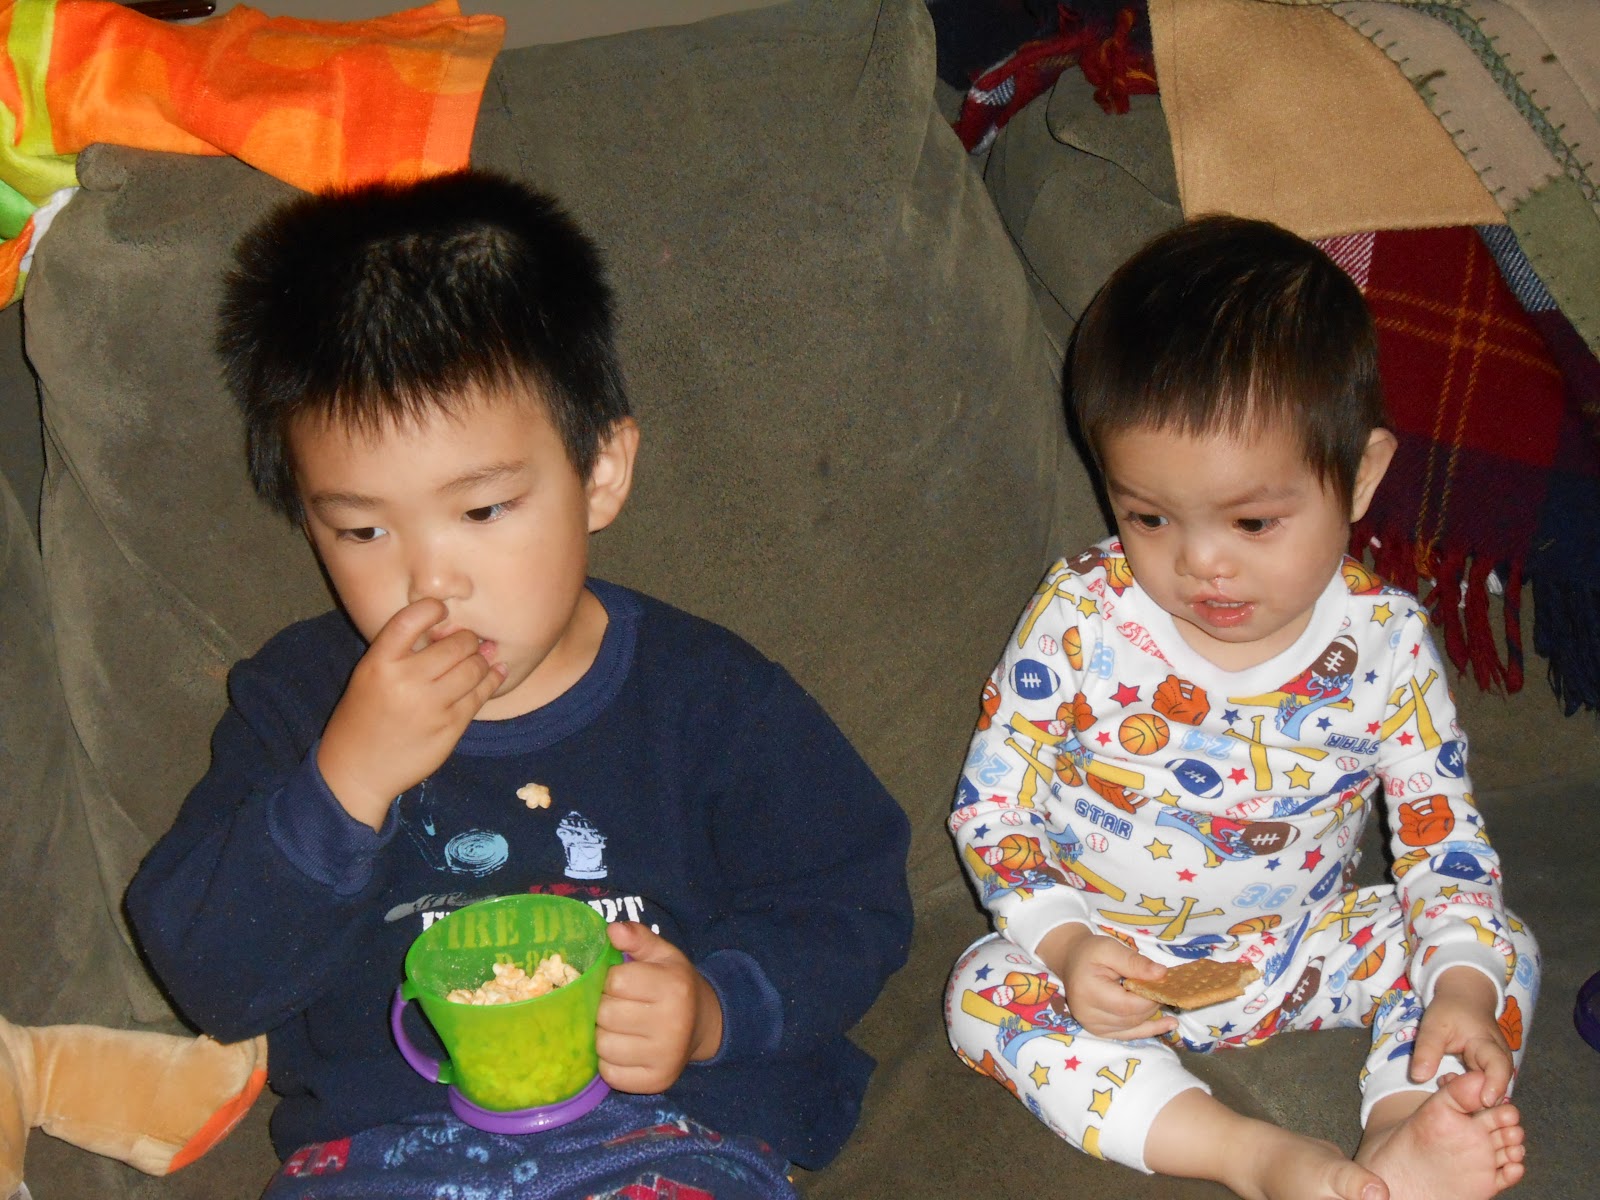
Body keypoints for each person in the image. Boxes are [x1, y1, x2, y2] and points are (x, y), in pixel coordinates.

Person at [126, 169, 912, 1200]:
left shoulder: (708, 698)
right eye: (361, 530)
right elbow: (211, 980)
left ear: (600, 474)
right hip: (384, 1154)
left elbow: (849, 894)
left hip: (662, 1135)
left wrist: (715, 1009)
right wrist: (344, 784)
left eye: (482, 510)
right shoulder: (299, 702)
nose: (429, 581)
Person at [944, 215, 1538, 1200]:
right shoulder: (1081, 618)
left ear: (1360, 476)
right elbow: (992, 808)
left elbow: (1444, 842)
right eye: (1147, 516)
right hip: (1105, 955)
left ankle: (1404, 1131)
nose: (1201, 561)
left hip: (1301, 947)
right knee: (980, 994)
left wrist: (1462, 990)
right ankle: (1251, 1156)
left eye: (1253, 521)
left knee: (1491, 948)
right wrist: (1066, 942)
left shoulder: (1386, 644)